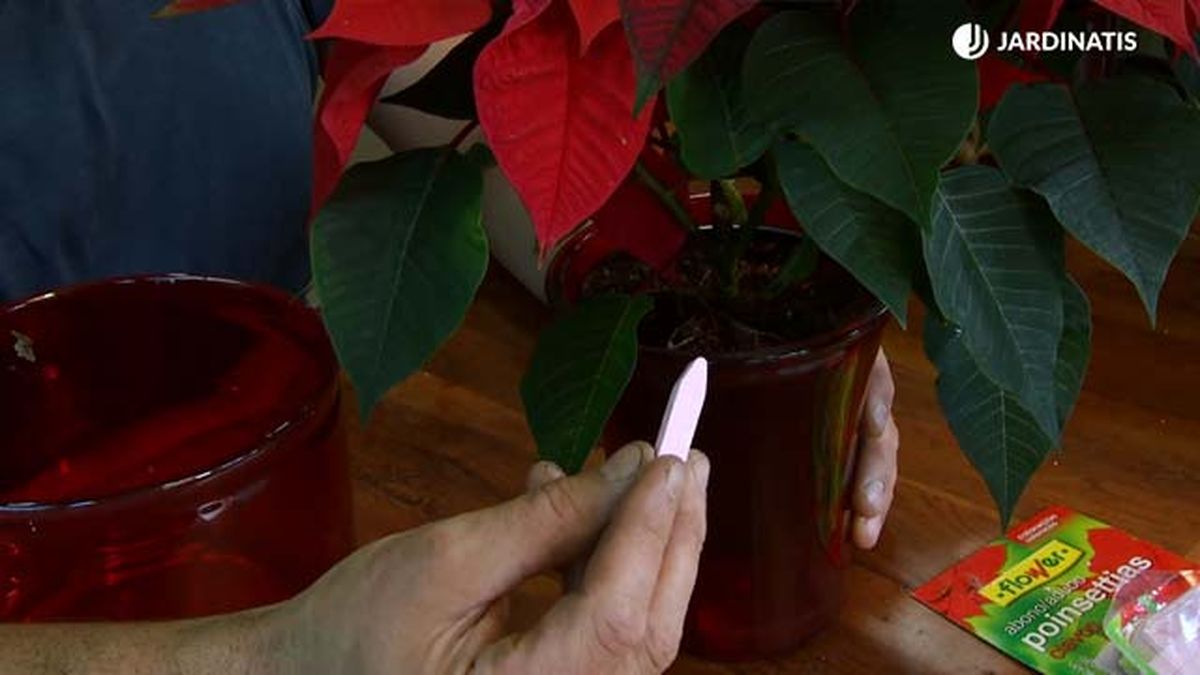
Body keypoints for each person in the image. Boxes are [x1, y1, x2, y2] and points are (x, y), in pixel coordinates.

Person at [0, 1, 900, 671]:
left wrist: (737, 289)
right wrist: (271, 657)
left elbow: (469, 106)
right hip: (103, 580)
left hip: (293, 516)